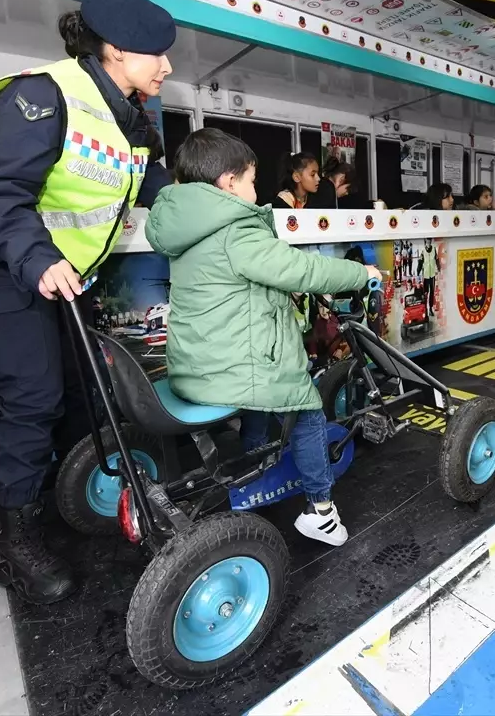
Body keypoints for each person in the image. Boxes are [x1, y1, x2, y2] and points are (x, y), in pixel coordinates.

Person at [0, 0, 176, 605]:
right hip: (6, 265)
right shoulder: (42, 94)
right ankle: (14, 545)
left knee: (76, 389)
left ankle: (64, 503)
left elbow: (157, 191)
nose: (167, 66)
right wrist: (39, 259)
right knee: (31, 398)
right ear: (116, 50)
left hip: (65, 275)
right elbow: (2, 192)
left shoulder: (132, 119)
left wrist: (227, 205)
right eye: (157, 54)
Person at [145, 128, 380, 545]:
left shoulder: (187, 227)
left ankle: (254, 471)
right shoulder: (235, 229)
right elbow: (302, 270)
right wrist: (362, 274)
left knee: (263, 389)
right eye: (252, 180)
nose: (257, 189)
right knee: (306, 407)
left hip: (198, 365)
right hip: (229, 368)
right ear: (228, 182)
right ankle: (321, 512)